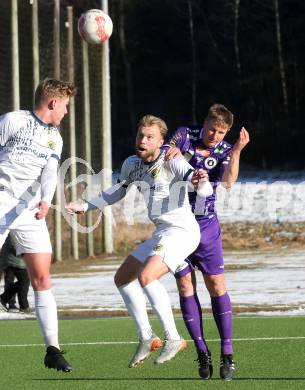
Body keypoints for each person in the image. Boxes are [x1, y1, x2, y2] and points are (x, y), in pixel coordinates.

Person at [65, 114, 213, 368]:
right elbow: (118, 191)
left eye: (149, 137)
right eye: (140, 135)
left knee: (147, 277)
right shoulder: (131, 164)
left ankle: (173, 338)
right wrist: (86, 205)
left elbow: (201, 186)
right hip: (162, 232)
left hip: (183, 231)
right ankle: (147, 337)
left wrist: (200, 182)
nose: (143, 140)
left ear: (161, 141)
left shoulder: (172, 159)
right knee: (122, 278)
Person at [165, 103, 250, 381]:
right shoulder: (184, 134)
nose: (215, 135)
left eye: (222, 132)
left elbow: (227, 182)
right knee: (185, 283)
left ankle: (228, 354)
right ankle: (202, 352)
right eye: (212, 129)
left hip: (205, 227)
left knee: (216, 284)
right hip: (176, 225)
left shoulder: (225, 150)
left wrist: (236, 150)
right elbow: (165, 154)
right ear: (204, 123)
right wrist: (173, 153)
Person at [0, 78, 77, 372]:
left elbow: (49, 173)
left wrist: (46, 199)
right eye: (66, 106)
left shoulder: (54, 138)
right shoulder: (12, 121)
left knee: (42, 277)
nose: (67, 112)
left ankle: (53, 350)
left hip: (29, 209)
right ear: (53, 103)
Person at [0, 234, 31, 313]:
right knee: (24, 280)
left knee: (13, 280)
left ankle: (6, 301)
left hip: (8, 256)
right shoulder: (17, 228)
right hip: (14, 257)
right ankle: (23, 306)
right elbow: (14, 243)